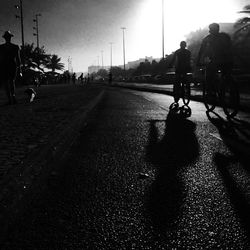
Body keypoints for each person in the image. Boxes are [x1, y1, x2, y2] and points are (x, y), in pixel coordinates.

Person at [197, 23, 233, 90]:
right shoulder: (225, 36)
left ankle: (210, 92)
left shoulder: (207, 38)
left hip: (215, 62)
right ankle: (227, 88)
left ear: (210, 30)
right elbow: (231, 47)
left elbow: (201, 51)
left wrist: (198, 61)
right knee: (227, 75)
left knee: (208, 76)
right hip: (228, 61)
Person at [0, 31, 22, 104]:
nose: (7, 38)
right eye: (7, 37)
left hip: (9, 65)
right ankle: (11, 98)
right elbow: (18, 59)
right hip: (8, 65)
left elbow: (18, 59)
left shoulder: (2, 47)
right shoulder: (14, 47)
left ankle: (11, 97)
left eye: (8, 37)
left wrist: (20, 69)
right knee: (9, 82)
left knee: (9, 82)